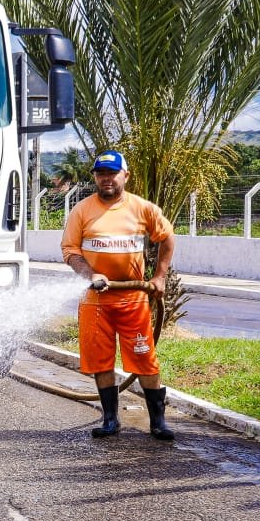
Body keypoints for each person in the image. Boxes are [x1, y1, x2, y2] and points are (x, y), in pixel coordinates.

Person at [61, 150, 176, 440]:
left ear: (125, 175)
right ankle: (110, 420)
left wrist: (159, 276)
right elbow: (70, 251)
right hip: (96, 301)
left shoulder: (142, 208)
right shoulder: (82, 210)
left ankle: (158, 423)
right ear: (95, 178)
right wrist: (91, 275)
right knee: (100, 361)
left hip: (133, 298)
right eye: (101, 174)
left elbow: (167, 237)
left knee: (144, 359)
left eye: (112, 173)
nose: (106, 179)